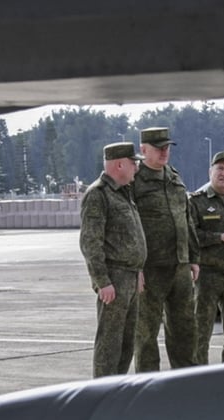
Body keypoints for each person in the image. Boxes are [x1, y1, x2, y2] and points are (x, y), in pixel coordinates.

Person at [131, 127, 199, 372]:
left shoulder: (174, 177)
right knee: (146, 334)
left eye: (167, 147)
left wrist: (193, 257)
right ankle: (148, 386)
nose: (164, 152)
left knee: (185, 329)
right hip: (150, 269)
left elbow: (186, 218)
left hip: (179, 266)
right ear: (143, 149)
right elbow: (130, 224)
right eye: (159, 148)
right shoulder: (135, 180)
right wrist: (135, 267)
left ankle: (185, 381)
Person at [79, 141, 147, 377]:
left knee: (127, 342)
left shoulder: (124, 193)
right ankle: (102, 392)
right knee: (110, 343)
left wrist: (138, 270)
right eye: (133, 163)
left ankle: (116, 389)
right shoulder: (98, 195)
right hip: (114, 279)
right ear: (119, 164)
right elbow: (90, 242)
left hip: (129, 277)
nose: (136, 168)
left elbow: (130, 238)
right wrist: (102, 281)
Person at [189, 150, 224, 363]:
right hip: (207, 275)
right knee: (200, 332)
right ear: (210, 171)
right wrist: (221, 237)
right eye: (220, 168)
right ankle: (198, 376)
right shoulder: (196, 201)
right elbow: (191, 235)